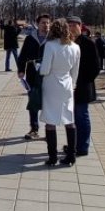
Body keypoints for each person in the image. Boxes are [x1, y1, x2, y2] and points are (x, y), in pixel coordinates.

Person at [39, 18, 81, 166]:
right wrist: (73, 85)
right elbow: (75, 71)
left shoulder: (50, 45)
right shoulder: (75, 47)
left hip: (51, 84)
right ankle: (71, 155)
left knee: (51, 121)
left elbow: (45, 69)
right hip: (68, 84)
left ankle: (52, 157)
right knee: (69, 120)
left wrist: (37, 67)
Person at [67, 16, 99, 157]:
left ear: (81, 26)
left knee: (81, 116)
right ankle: (73, 145)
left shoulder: (88, 43)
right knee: (72, 118)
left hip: (82, 87)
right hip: (68, 87)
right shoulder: (66, 42)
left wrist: (81, 81)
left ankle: (82, 147)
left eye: (75, 25)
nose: (72, 28)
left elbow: (96, 68)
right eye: (69, 25)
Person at [18, 14, 51, 140]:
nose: (46, 25)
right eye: (43, 22)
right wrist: (21, 70)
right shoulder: (30, 39)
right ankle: (34, 128)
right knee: (33, 102)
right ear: (38, 24)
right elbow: (22, 56)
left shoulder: (53, 39)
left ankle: (50, 130)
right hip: (32, 75)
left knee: (48, 103)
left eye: (48, 22)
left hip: (48, 76)